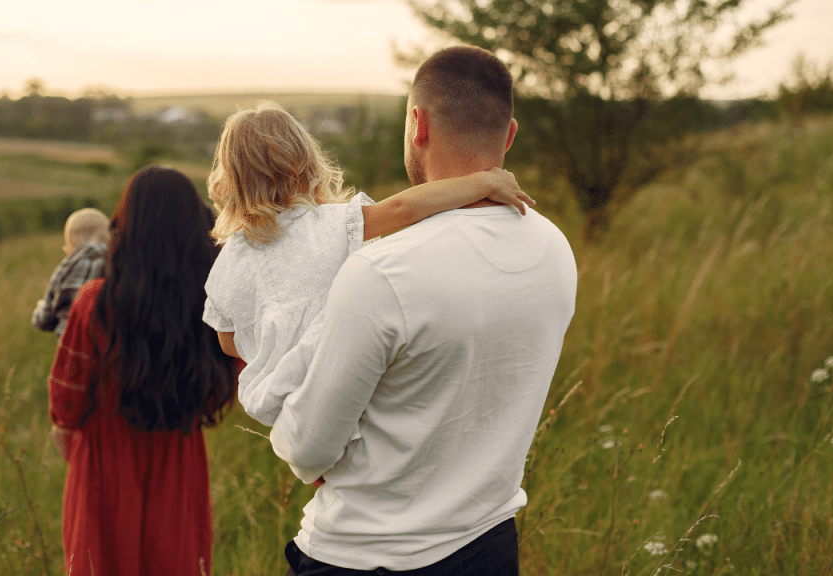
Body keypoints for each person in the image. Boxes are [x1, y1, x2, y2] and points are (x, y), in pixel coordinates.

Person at [270, 46, 579, 575]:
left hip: (365, 556)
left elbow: (307, 450)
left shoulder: (382, 271)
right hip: (490, 547)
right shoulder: (554, 248)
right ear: (509, 135)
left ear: (419, 124)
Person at [202, 100, 534, 426]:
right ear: (303, 162)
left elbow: (228, 341)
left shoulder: (231, 258)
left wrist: (279, 340)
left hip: (286, 406)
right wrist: (483, 182)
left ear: (231, 177)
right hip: (353, 391)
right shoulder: (331, 224)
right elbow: (404, 208)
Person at [47, 166, 240, 576]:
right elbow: (232, 377)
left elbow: (66, 404)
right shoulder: (211, 305)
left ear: (126, 227)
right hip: (179, 458)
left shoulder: (94, 302)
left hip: (104, 461)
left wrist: (75, 445)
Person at [32, 207, 110, 339]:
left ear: (68, 250)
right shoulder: (119, 263)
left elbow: (45, 320)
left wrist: (40, 308)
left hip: (71, 347)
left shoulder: (64, 269)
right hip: (108, 345)